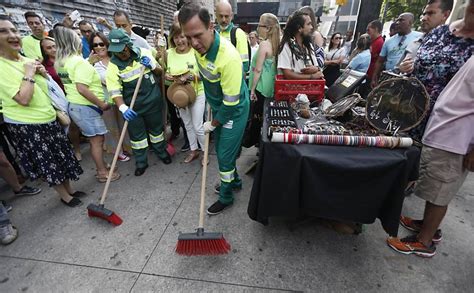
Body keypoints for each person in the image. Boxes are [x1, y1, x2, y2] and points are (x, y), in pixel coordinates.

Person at [387, 55, 474, 258]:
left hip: (456, 139)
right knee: (434, 187)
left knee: (440, 192)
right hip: (445, 133)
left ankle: (424, 240)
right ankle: (427, 226)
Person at [0, 16, 84, 207]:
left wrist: (42, 75)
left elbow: (45, 89)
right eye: (4, 31)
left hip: (48, 117)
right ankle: (65, 196)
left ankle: (70, 189)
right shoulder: (2, 67)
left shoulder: (26, 60)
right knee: (49, 163)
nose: (12, 35)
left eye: (13, 30)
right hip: (28, 126)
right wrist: (29, 74)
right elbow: (23, 98)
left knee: (62, 156)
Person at [179, 3, 250, 215]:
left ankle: (226, 196)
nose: (193, 43)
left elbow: (230, 103)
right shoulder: (200, 49)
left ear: (211, 26)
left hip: (233, 111)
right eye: (188, 37)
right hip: (219, 106)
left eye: (198, 35)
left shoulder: (228, 57)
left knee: (224, 156)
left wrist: (213, 123)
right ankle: (234, 182)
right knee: (223, 151)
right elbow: (208, 76)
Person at [54, 26, 121, 183]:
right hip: (85, 106)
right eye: (77, 37)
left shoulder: (62, 63)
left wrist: (89, 62)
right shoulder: (78, 62)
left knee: (95, 140)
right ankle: (102, 172)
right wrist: (101, 104)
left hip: (76, 105)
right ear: (73, 41)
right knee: (96, 141)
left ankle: (103, 165)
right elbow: (82, 88)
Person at [398, 3, 472, 142]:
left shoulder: (468, 45)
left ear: (446, 14)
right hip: (409, 121)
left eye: (431, 13)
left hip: (445, 133)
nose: (424, 18)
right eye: (424, 13)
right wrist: (405, 69)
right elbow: (419, 71)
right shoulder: (436, 34)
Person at [106, 29, 171, 176]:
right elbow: (114, 91)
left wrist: (152, 66)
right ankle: (141, 161)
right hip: (133, 107)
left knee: (157, 132)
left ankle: (161, 152)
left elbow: (160, 73)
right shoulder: (113, 66)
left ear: (128, 45)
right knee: (137, 137)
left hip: (152, 102)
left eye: (122, 50)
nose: (120, 54)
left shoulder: (144, 53)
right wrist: (122, 107)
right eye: (116, 51)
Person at [163, 23, 205, 164]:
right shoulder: (169, 54)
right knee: (187, 125)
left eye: (182, 36)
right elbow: (165, 72)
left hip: (197, 92)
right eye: (175, 37)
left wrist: (192, 77)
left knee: (198, 125)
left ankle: (205, 151)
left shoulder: (196, 52)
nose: (179, 41)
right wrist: (167, 76)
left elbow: (206, 75)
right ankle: (194, 150)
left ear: (187, 37)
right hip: (179, 94)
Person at [89, 31, 131, 162]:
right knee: (111, 127)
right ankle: (117, 151)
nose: (99, 47)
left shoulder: (115, 58)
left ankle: (128, 147)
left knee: (124, 123)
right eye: (95, 45)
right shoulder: (91, 63)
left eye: (101, 43)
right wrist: (90, 64)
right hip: (106, 100)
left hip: (122, 97)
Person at [248, 13, 280, 146]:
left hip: (261, 87)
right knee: (269, 118)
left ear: (267, 28)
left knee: (258, 117)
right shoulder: (279, 42)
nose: (257, 28)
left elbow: (258, 70)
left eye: (259, 25)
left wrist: (252, 90)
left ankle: (256, 141)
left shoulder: (264, 45)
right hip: (273, 86)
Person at [371, 13, 423, 87]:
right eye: (397, 20)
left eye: (401, 20)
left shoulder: (419, 37)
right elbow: (380, 61)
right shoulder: (389, 42)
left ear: (410, 22)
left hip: (408, 81)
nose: (397, 23)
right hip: (389, 79)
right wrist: (374, 77)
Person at [277, 10, 324, 80]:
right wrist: (311, 77)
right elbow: (287, 74)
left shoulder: (309, 45)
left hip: (310, 89)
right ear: (299, 28)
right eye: (308, 24)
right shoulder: (286, 46)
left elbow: (316, 68)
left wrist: (315, 69)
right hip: (291, 89)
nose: (311, 27)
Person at [215, 0, 250, 73]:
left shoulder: (238, 33)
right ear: (216, 15)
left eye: (226, 16)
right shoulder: (214, 33)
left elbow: (245, 65)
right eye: (221, 16)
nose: (223, 20)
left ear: (231, 16)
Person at [364, 20, 384, 96]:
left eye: (368, 30)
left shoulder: (379, 42)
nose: (367, 32)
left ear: (375, 29)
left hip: (371, 74)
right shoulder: (373, 41)